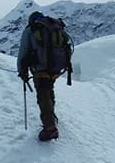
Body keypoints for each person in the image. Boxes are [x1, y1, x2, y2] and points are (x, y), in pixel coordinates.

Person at [17, 11, 73, 142]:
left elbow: (23, 51)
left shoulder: (31, 29)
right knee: (49, 91)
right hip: (56, 68)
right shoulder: (55, 28)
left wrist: (22, 71)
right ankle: (52, 117)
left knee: (43, 95)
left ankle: (50, 128)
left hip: (40, 68)